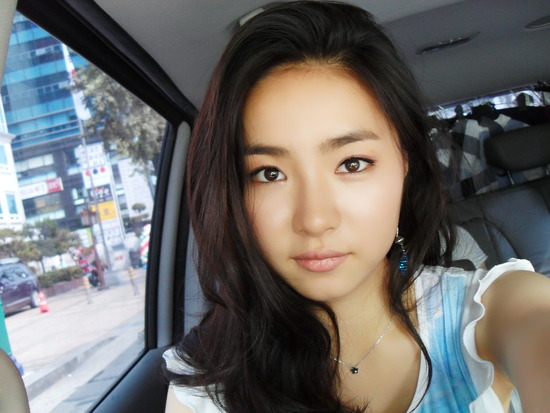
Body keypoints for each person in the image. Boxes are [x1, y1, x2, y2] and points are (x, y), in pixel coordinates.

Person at [163, 2, 550, 412]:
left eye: (352, 163)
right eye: (269, 173)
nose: (315, 220)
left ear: (405, 163)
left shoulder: (494, 311)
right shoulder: (206, 384)